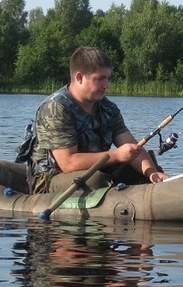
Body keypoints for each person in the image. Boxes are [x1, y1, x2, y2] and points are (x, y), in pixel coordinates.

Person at [18, 46, 169, 194]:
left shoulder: (108, 108)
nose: (106, 85)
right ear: (79, 77)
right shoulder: (55, 108)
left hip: (97, 168)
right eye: (100, 79)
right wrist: (116, 155)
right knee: (96, 181)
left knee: (144, 167)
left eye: (108, 78)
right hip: (51, 177)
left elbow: (132, 146)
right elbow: (68, 163)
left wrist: (152, 173)